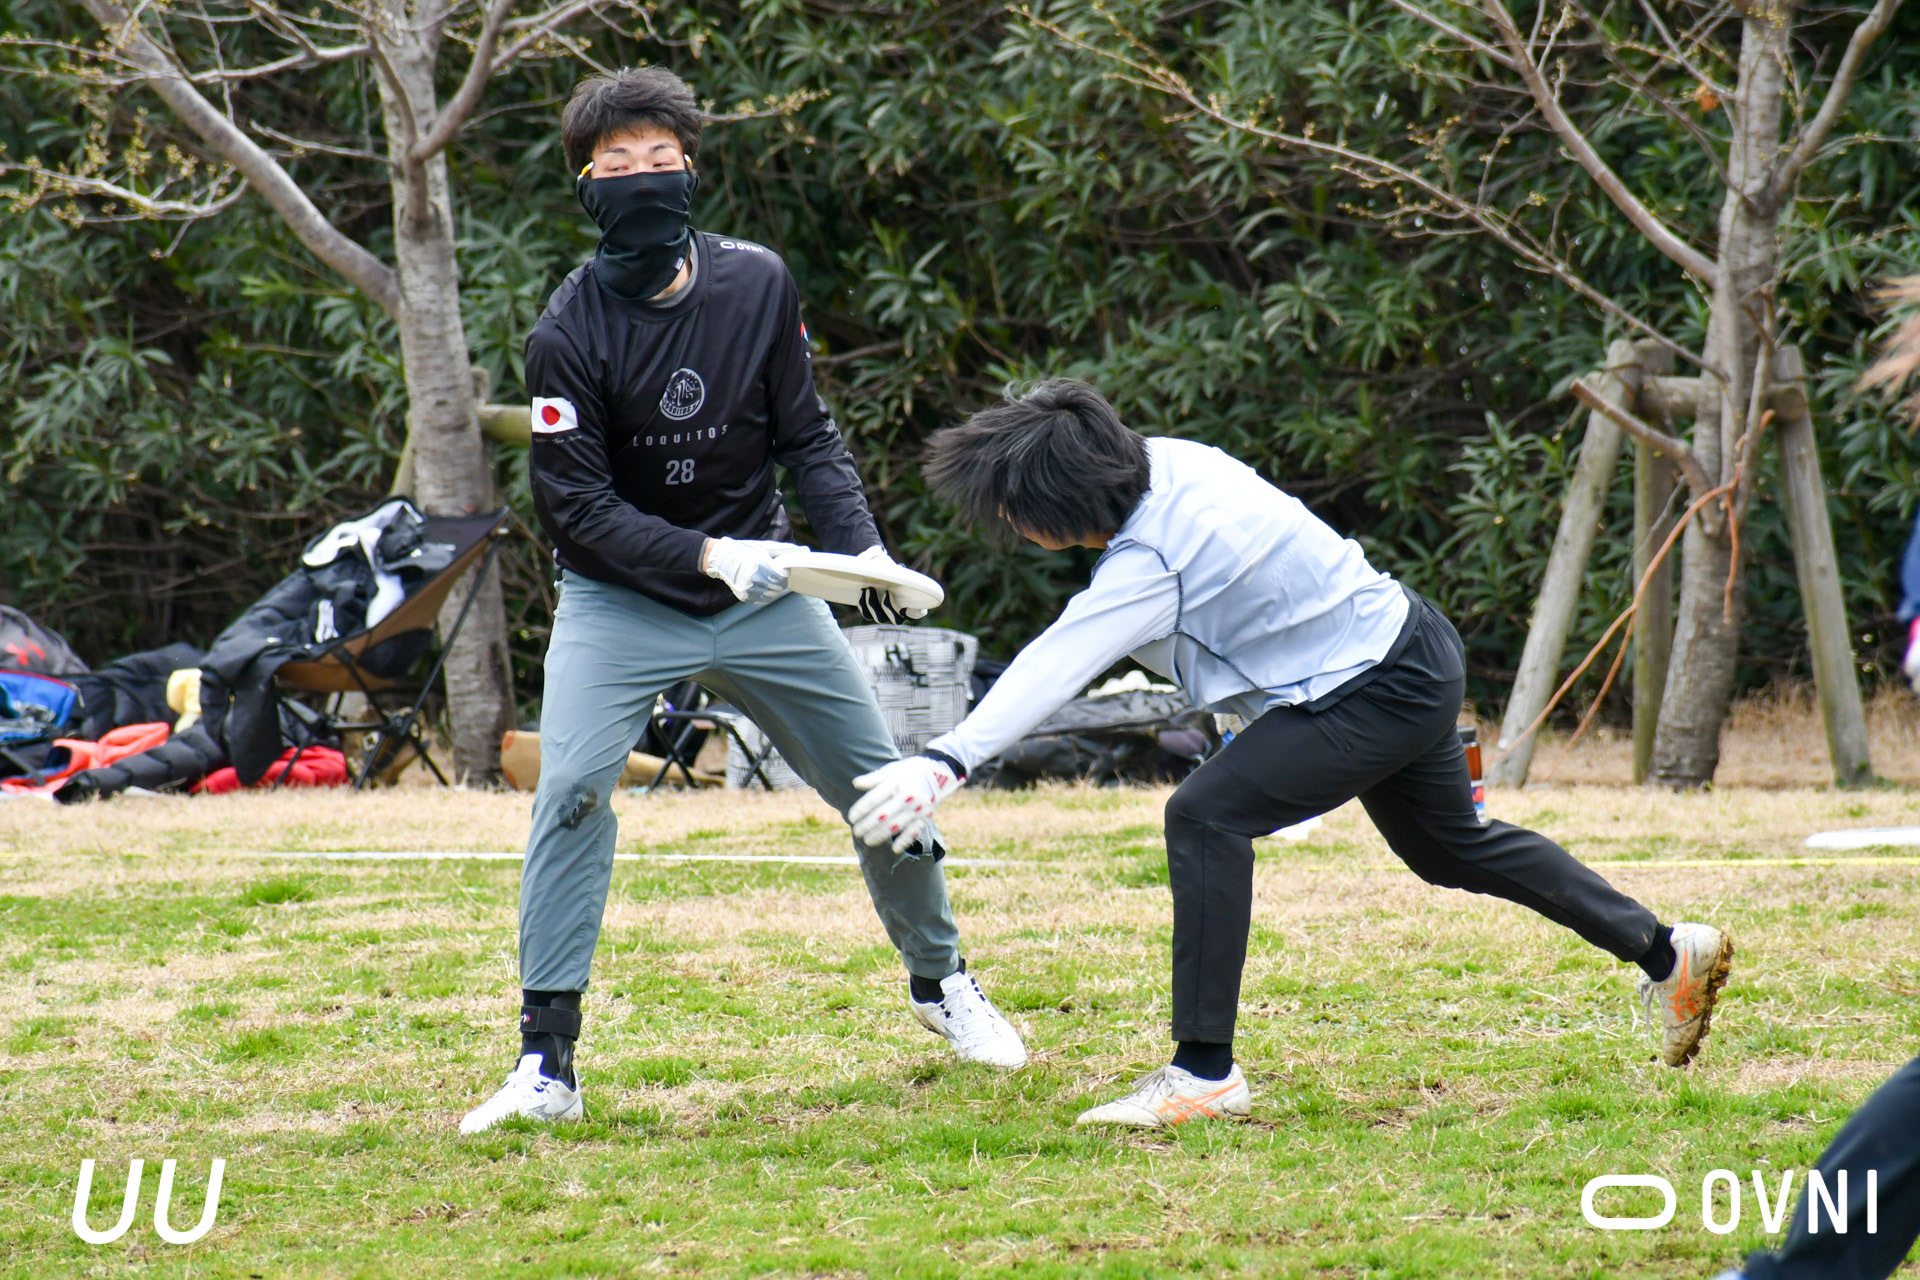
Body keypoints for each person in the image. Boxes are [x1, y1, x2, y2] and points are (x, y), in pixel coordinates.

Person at [849, 378, 1732, 1129]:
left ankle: (1203, 1073)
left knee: (1203, 816)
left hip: (1371, 687)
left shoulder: (1150, 559)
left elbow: (1060, 658)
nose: (1010, 524)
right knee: (1451, 849)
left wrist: (945, 761)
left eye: (1012, 509)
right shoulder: (1175, 460)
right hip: (1412, 645)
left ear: (1061, 500)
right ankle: (1667, 952)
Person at [461, 68, 1025, 1134]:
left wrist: (863, 558)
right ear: (585, 187)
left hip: (769, 593)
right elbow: (577, 510)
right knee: (571, 789)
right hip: (622, 599)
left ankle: (941, 982)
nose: (641, 178)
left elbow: (807, 436)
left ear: (690, 170)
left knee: (884, 789)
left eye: (659, 159)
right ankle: (546, 1064)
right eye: (616, 165)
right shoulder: (565, 334)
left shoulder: (758, 283)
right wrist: (711, 553)